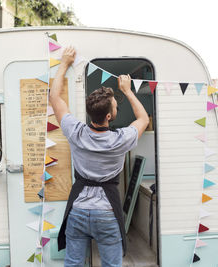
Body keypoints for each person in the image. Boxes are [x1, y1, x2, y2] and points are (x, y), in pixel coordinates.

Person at [49, 47, 149, 267]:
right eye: (115, 106)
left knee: (73, 264)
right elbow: (143, 119)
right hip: (107, 214)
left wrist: (64, 64)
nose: (116, 107)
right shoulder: (121, 139)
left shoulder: (75, 131)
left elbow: (54, 97)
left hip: (78, 210)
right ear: (109, 116)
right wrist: (128, 91)